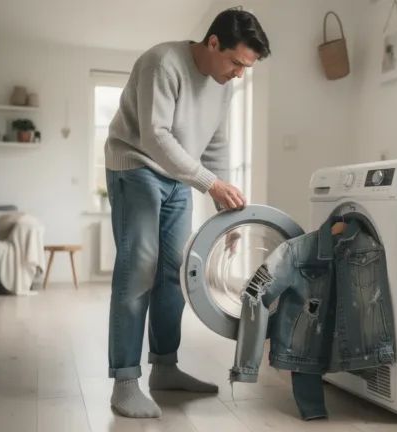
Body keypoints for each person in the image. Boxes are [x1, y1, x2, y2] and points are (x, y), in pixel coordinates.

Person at [102, 8, 270, 418]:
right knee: (139, 267)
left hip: (179, 176)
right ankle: (125, 382)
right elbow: (154, 137)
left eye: (247, 67)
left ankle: (164, 367)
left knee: (175, 272)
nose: (238, 74)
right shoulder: (162, 63)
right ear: (213, 43)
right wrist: (209, 184)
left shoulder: (223, 82)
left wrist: (225, 211)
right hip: (136, 165)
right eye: (236, 62)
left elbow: (215, 145)